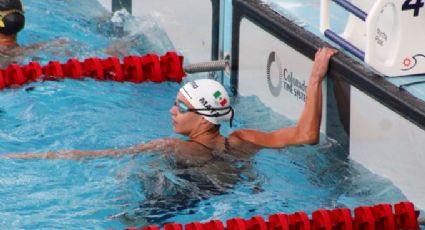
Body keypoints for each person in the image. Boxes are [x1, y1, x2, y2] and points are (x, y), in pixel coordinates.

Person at [4, 47, 338, 161]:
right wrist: (314, 79)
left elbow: (94, 156)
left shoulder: (172, 148)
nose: (172, 111)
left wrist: (24, 155)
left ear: (206, 118)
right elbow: (305, 135)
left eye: (181, 106)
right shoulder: (244, 140)